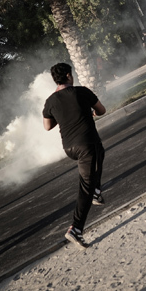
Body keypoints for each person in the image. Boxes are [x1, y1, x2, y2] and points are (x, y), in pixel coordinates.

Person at [42, 63, 106, 249]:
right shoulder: (82, 92)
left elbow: (47, 126)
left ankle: (97, 190)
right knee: (85, 187)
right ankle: (75, 229)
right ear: (69, 75)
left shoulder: (50, 101)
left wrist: (62, 116)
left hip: (70, 148)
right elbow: (101, 110)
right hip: (86, 144)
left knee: (100, 152)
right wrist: (90, 111)